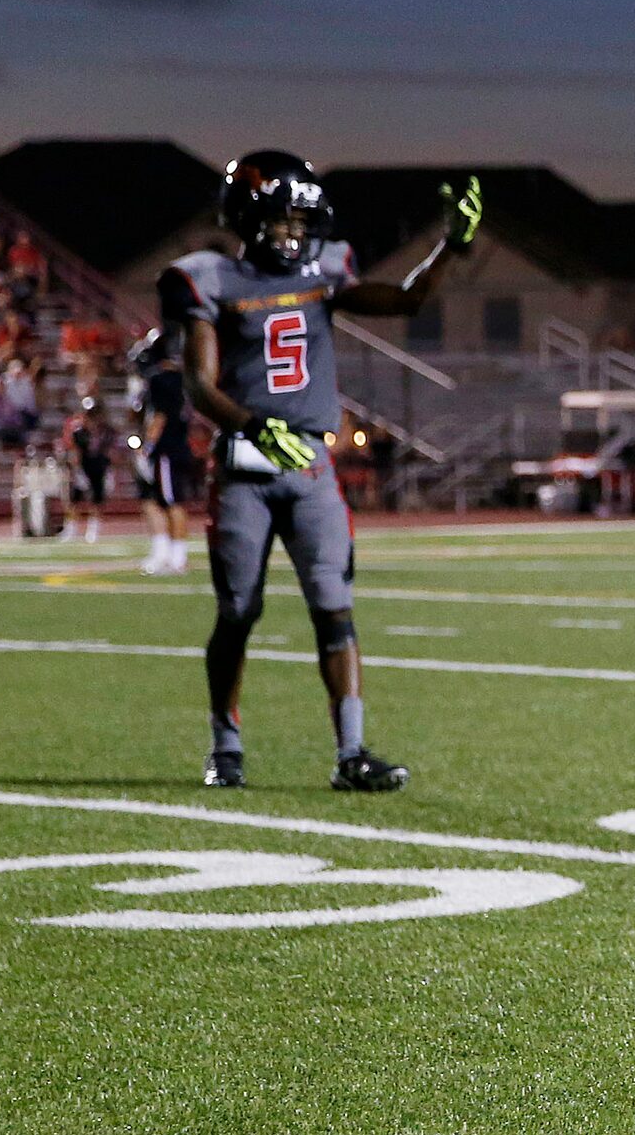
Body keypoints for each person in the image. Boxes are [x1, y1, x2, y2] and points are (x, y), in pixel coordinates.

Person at [163, 153, 483, 790]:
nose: (293, 234)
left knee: (335, 608)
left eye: (301, 222)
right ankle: (225, 750)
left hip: (310, 466)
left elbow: (407, 299)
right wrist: (254, 425)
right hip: (245, 468)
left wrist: (450, 244)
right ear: (247, 219)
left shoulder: (325, 269)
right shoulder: (208, 279)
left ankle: (352, 754)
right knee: (238, 611)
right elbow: (199, 384)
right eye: (280, 221)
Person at [131, 329, 199, 576]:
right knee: (159, 500)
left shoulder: (161, 380)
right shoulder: (184, 378)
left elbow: (159, 417)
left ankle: (176, 557)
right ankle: (166, 554)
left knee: (171, 501)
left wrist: (146, 448)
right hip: (178, 445)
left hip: (166, 449)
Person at [61, 399, 112, 542]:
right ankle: (71, 528)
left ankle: (93, 529)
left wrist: (109, 469)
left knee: (96, 499)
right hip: (84, 467)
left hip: (99, 468)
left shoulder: (105, 431)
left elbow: (110, 452)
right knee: (74, 500)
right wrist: (77, 471)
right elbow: (75, 452)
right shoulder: (79, 432)